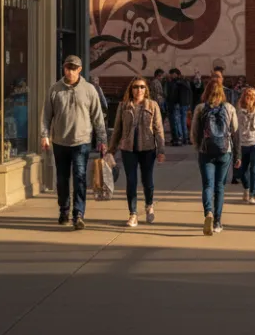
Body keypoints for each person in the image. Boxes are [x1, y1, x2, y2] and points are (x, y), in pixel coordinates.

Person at [40, 56, 107, 230]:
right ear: (63, 69)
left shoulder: (89, 89)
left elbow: (98, 117)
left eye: (73, 68)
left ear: (79, 70)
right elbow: (46, 115)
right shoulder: (55, 89)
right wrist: (44, 135)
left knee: (80, 177)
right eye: (67, 68)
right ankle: (64, 210)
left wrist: (102, 139)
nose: (70, 71)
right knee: (62, 179)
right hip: (60, 141)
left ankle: (78, 214)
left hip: (81, 141)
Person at [108, 76, 166, 227]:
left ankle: (149, 205)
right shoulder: (124, 106)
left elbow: (159, 129)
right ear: (131, 89)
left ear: (146, 89)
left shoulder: (152, 105)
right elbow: (117, 129)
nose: (138, 90)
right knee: (131, 181)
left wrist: (161, 150)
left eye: (141, 87)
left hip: (148, 148)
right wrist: (111, 149)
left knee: (147, 181)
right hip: (128, 149)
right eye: (135, 87)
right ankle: (132, 214)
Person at [191, 81, 241, 235]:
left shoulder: (200, 108)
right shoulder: (229, 108)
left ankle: (208, 212)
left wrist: (198, 147)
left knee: (207, 185)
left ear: (206, 92)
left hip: (205, 151)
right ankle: (218, 222)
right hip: (225, 151)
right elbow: (235, 132)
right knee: (220, 187)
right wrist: (237, 155)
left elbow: (194, 132)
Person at [167, 68, 192, 146]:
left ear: (175, 74)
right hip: (184, 103)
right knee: (182, 121)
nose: (171, 75)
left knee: (179, 122)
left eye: (172, 74)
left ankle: (180, 138)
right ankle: (185, 138)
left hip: (179, 103)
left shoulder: (177, 82)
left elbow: (173, 94)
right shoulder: (184, 81)